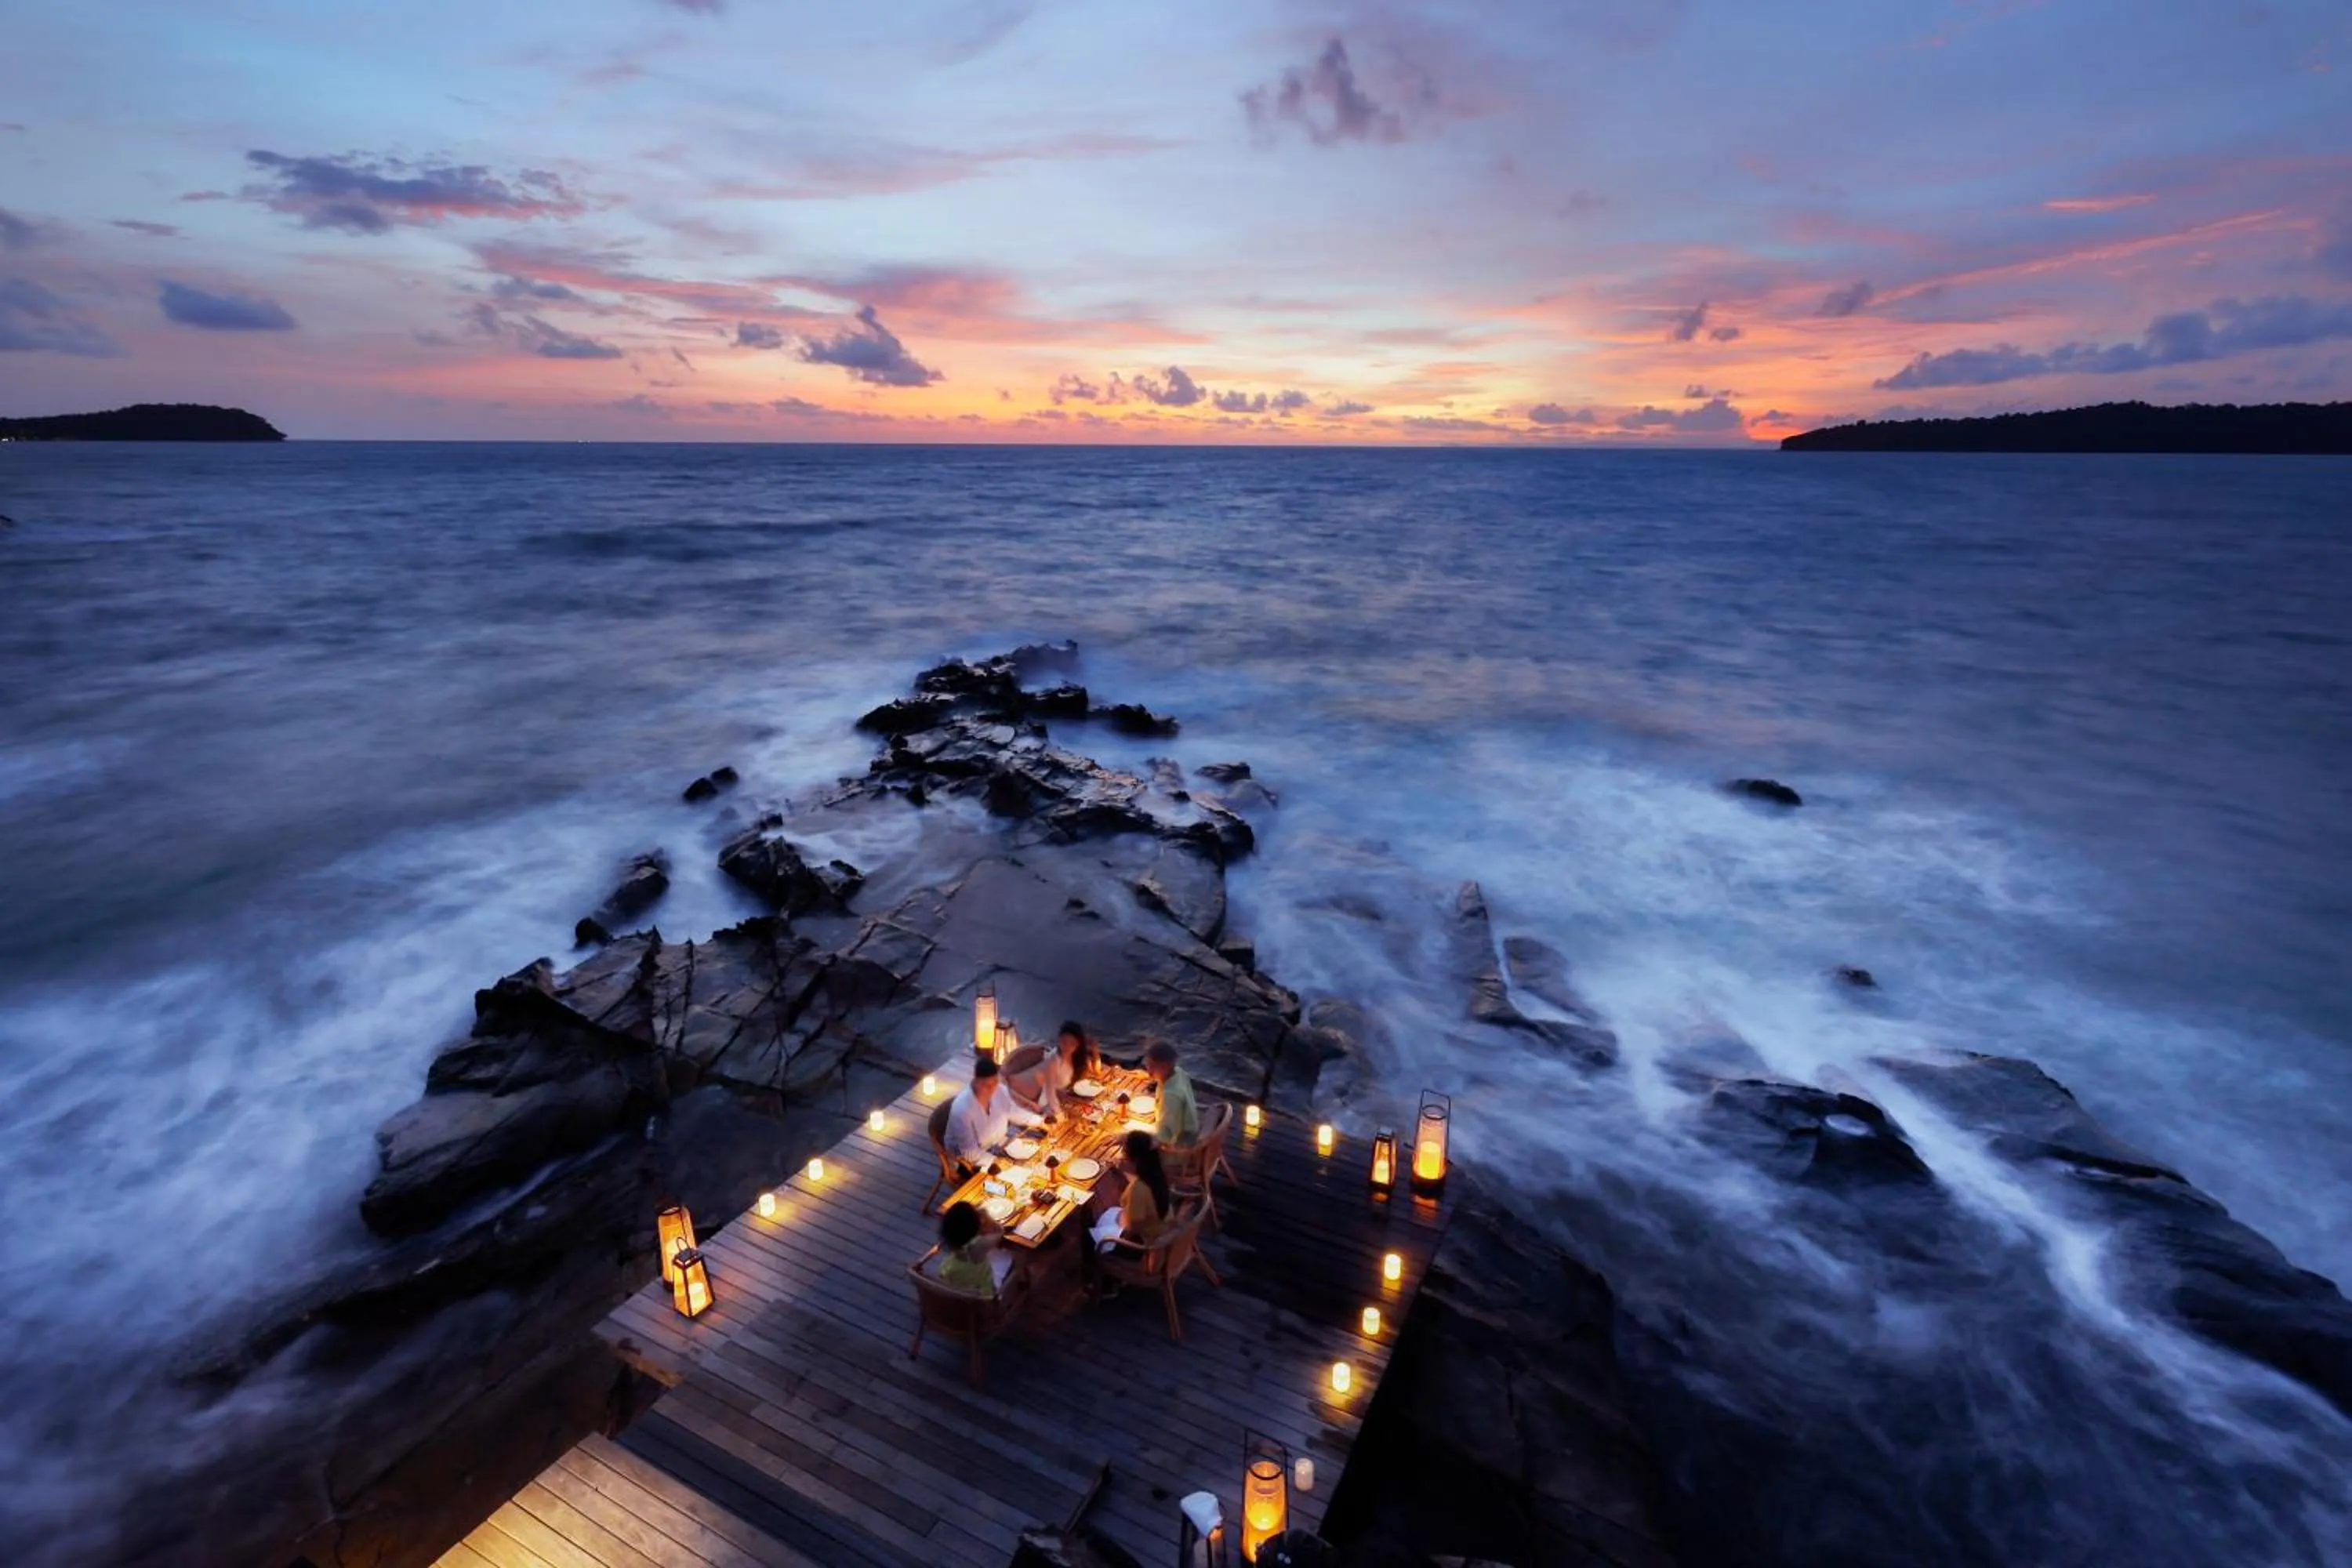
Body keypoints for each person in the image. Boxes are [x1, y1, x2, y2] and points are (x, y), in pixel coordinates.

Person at [945, 1055, 1040, 1171]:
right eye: (987, 1086)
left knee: (1038, 1156)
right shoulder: (962, 1110)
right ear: (976, 1082)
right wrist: (997, 1162)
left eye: (995, 1082)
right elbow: (970, 1153)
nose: (992, 1089)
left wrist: (1041, 1121)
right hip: (969, 1161)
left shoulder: (998, 1089)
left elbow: (1012, 1111)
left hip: (998, 1143)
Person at [1089, 1130, 1171, 1257]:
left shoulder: (1138, 1191)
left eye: (1125, 1153)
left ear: (1136, 1160)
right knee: (1104, 1200)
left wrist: (1116, 1217)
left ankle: (1097, 1269)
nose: (1122, 1156)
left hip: (1137, 1246)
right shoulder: (1156, 1173)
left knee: (1088, 1229)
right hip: (1154, 1227)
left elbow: (1129, 1229)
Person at [1005, 1020, 1101, 1117]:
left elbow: (1096, 1071)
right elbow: (1050, 1094)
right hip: (1023, 1098)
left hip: (1041, 1098)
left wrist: (1095, 1051)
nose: (1067, 1047)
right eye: (1064, 1042)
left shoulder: (1074, 1059)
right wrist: (1058, 1113)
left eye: (1072, 1043)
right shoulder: (1054, 1061)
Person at [935, 1200, 1014, 1295]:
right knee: (1018, 1255)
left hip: (954, 1287)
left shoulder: (949, 1242)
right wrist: (986, 1215)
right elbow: (1000, 1231)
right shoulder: (978, 1246)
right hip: (982, 1296)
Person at [1144, 1039, 1199, 1147]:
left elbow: (1167, 1137)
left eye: (1152, 1067)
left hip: (1180, 1145)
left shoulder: (1171, 1096)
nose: (1149, 1072)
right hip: (1186, 1127)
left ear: (1165, 1067)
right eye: (1148, 1065)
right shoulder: (1178, 1072)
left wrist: (1139, 1136)